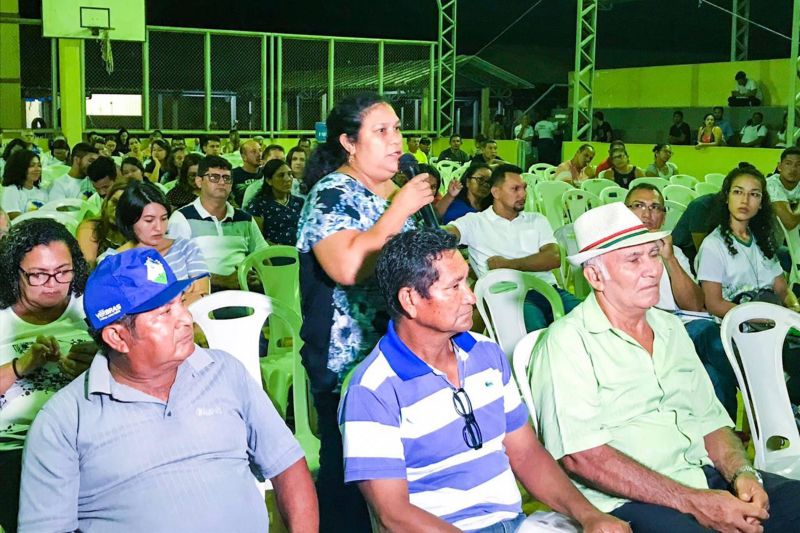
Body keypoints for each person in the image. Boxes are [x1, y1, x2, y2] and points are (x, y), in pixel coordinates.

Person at [531, 201, 800, 532]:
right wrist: (694, 501)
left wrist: (743, 473)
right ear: (595, 276)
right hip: (631, 499)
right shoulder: (567, 342)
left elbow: (711, 422)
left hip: (704, 478)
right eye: (633, 259)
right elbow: (582, 456)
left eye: (653, 254)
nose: (652, 269)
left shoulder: (670, 329)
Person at [341, 228, 631, 533]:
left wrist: (588, 514)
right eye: (454, 286)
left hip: (513, 523)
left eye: (467, 281)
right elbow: (394, 514)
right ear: (410, 299)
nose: (470, 296)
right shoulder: (371, 390)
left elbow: (527, 453)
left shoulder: (485, 353)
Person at [17, 248, 318, 533]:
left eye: (180, 303)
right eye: (163, 313)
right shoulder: (64, 422)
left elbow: (287, 464)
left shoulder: (224, 372)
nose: (186, 319)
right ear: (117, 337)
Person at [296, 92, 432, 531]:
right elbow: (348, 267)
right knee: (350, 481)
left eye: (397, 129)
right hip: (349, 361)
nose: (397, 140)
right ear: (349, 143)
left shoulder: (397, 192)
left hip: (403, 352)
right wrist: (399, 211)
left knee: (401, 474)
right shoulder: (331, 194)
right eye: (382, 131)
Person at [0, 218, 95, 533]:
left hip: (88, 439)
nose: (53, 283)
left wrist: (101, 367)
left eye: (63, 271)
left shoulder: (89, 308)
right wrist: (20, 366)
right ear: (15, 272)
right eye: (38, 274)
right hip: (14, 445)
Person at [626, 184, 738, 418]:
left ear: (663, 217)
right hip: (647, 326)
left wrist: (669, 259)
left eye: (655, 207)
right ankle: (744, 418)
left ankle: (720, 435)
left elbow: (694, 305)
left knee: (710, 372)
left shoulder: (673, 251)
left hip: (682, 324)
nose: (647, 213)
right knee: (715, 338)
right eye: (639, 206)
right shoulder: (615, 252)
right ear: (624, 211)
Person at [695, 164, 800, 405]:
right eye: (738, 192)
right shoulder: (714, 245)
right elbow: (713, 303)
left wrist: (793, 307)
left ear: (761, 203)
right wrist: (761, 317)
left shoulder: (762, 241)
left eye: (754, 194)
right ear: (726, 198)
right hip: (738, 331)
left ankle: (787, 410)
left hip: (773, 324)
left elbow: (782, 289)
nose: (745, 200)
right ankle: (781, 413)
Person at [446, 164, 579, 331]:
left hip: (549, 290)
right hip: (509, 296)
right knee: (535, 332)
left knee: (587, 320)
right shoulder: (475, 222)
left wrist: (507, 265)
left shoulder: (536, 220)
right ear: (496, 192)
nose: (523, 194)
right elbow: (448, 233)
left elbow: (553, 258)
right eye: (515, 189)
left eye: (524, 188)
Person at [167, 155, 267, 292]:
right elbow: (172, 271)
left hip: (244, 293)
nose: (221, 182)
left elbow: (264, 257)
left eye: (226, 178)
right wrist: (223, 280)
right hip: (201, 296)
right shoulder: (182, 218)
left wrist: (260, 276)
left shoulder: (244, 219)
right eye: (214, 177)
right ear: (199, 181)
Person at [100, 181, 209, 305]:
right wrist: (181, 297)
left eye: (164, 218)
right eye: (149, 220)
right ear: (130, 221)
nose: (159, 227)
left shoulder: (186, 248)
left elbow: (202, 299)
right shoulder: (112, 262)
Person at [245, 159, 305, 246]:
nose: (287, 179)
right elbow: (257, 239)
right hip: (272, 254)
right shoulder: (258, 205)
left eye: (289, 174)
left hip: (299, 253)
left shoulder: (299, 203)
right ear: (269, 180)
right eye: (281, 175)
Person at [76, 181, 128, 268]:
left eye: (125, 207)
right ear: (106, 202)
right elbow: (87, 269)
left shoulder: (140, 236)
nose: (116, 211)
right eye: (114, 202)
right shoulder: (91, 227)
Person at [1, 150, 48, 219]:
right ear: (19, 168)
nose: (37, 169)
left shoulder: (42, 191)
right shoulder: (12, 189)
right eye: (32, 165)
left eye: (39, 165)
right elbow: (13, 216)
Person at [767, 147, 800, 230]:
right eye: (788, 163)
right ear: (779, 167)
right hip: (766, 234)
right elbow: (789, 222)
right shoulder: (771, 184)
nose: (793, 169)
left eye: (799, 164)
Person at [232, 139, 263, 206]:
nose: (259, 154)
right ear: (244, 157)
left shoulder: (266, 173)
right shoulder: (233, 175)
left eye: (260, 150)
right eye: (253, 152)